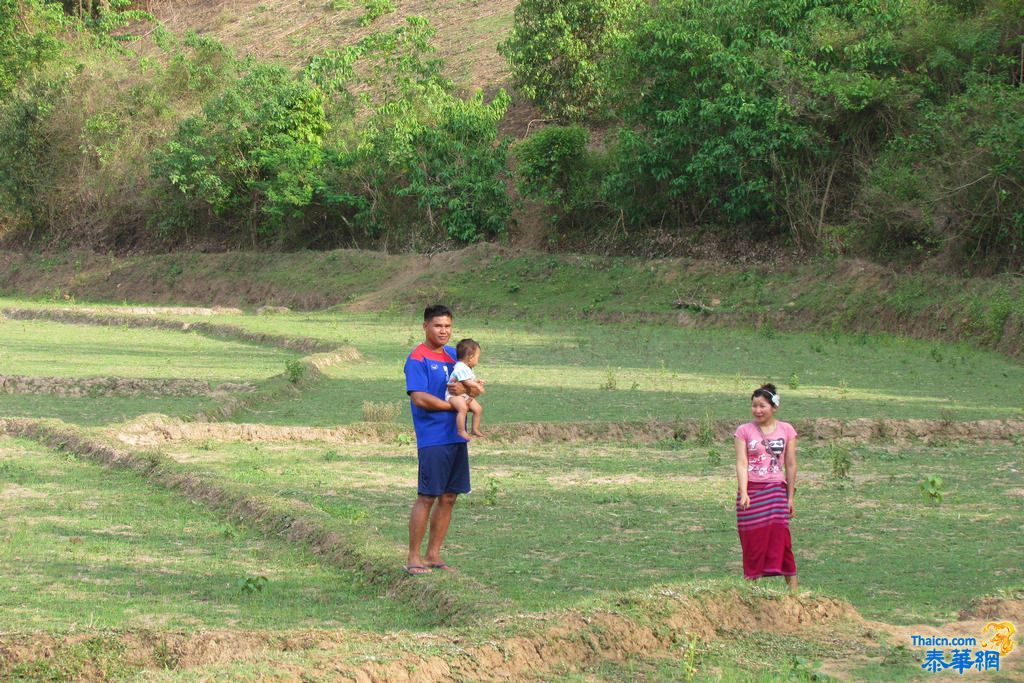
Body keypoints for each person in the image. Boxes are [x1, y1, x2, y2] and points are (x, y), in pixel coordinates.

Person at [403, 304, 479, 576]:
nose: (443, 331)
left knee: (449, 497)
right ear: (425, 326)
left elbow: (470, 387)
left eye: (447, 326)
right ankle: (413, 558)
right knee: (427, 497)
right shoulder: (417, 358)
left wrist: (468, 391)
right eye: (438, 326)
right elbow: (419, 397)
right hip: (433, 438)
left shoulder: (454, 356)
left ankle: (433, 554)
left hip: (457, 437)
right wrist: (454, 406)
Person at [734, 382, 798, 590]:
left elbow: (790, 464)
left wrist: (790, 497)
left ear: (774, 407)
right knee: (752, 541)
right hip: (752, 491)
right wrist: (744, 492)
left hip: (776, 491)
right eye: (754, 405)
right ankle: (751, 590)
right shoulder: (743, 431)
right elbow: (742, 463)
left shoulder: (787, 430)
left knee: (782, 538)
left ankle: (794, 592)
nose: (758, 410)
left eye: (762, 406)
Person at [446, 338, 486, 439]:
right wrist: (476, 386)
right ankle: (461, 430)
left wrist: (477, 382)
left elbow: (469, 381)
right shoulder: (460, 367)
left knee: (478, 409)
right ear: (471, 357)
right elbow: (465, 381)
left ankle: (475, 429)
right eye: (478, 357)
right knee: (463, 408)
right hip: (453, 395)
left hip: (463, 395)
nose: (478, 360)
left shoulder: (467, 368)